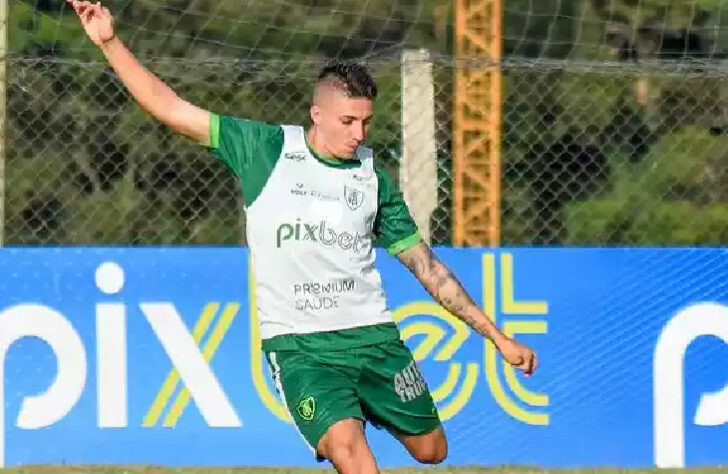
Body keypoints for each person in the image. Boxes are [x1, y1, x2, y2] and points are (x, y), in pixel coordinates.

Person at [68, 2, 538, 472]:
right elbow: (170, 107)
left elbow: (429, 270)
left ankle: (362, 407)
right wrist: (109, 41)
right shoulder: (264, 150)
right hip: (301, 347)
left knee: (432, 450)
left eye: (366, 122)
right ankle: (340, 423)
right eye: (347, 122)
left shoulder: (372, 180)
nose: (359, 133)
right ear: (317, 113)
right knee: (355, 458)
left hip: (372, 338)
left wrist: (498, 339)